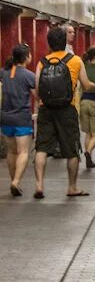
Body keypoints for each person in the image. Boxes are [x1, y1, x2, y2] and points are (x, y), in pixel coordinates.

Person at [33, 27, 95, 198]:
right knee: (72, 150)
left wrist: (41, 104)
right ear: (65, 41)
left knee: (41, 148)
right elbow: (87, 85)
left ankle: (39, 185)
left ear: (49, 43)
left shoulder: (42, 62)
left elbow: (37, 89)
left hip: (46, 109)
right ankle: (72, 187)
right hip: (67, 109)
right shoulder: (75, 60)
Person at [1, 44, 35, 196]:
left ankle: (13, 180)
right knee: (23, 152)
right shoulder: (29, 75)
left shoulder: (3, 72)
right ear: (27, 57)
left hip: (5, 118)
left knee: (11, 151)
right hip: (22, 118)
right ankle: (16, 181)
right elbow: (38, 95)